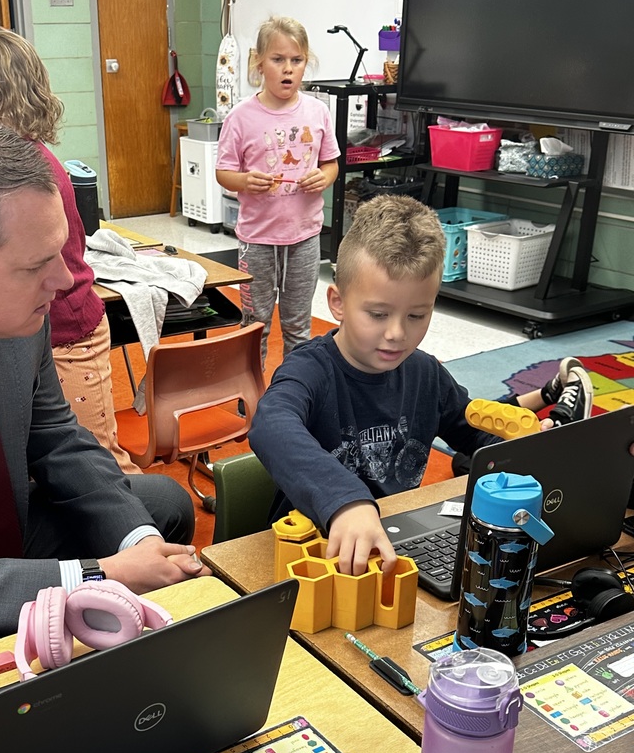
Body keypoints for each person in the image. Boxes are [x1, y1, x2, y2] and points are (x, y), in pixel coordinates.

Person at [0, 110, 202, 654]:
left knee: (160, 508)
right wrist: (95, 576)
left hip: (1, 528)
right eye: (36, 266)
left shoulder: (9, 299)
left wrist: (137, 547)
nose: (66, 281)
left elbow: (56, 436)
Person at [248, 194, 592, 578]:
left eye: (417, 315)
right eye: (377, 314)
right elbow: (271, 425)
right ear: (338, 302)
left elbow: (475, 438)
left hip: (395, 544)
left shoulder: (425, 373)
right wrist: (346, 502)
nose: (396, 334)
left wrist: (532, 454)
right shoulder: (311, 369)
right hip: (314, 553)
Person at [0, 24, 141, 475]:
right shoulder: (3, 162)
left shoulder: (30, 173)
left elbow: (54, 271)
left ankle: (149, 531)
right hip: (34, 331)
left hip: (68, 335)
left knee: (99, 462)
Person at [216, 16, 339, 366]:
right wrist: (244, 181)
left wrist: (324, 177)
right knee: (254, 325)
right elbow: (224, 172)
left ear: (306, 63)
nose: (288, 69)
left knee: (298, 328)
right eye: (278, 59)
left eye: (296, 60)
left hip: (304, 238)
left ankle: (293, 398)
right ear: (259, 62)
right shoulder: (241, 116)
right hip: (257, 240)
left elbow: (331, 163)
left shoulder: (317, 111)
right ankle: (251, 399)